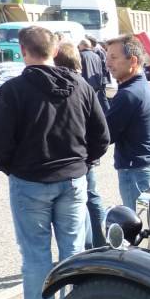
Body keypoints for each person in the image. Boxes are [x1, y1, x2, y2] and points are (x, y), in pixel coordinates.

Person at [0, 26, 109, 299]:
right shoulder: (80, 86)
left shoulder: (12, 91)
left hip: (32, 182)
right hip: (72, 180)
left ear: (23, 51)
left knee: (36, 255)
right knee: (73, 252)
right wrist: (83, 164)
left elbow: (0, 143)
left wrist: (11, 168)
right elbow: (102, 136)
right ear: (54, 51)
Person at [54, 43, 108, 249]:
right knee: (89, 199)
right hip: (82, 159)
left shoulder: (77, 88)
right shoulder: (83, 85)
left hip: (78, 160)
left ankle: (95, 243)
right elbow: (101, 132)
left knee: (88, 200)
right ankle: (98, 243)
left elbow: (101, 133)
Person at [103, 34, 150, 210]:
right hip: (148, 168)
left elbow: (105, 135)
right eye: (107, 58)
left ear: (133, 61)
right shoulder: (144, 88)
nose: (108, 64)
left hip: (137, 172)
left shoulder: (129, 94)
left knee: (137, 230)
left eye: (114, 58)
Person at [78, 38, 109, 113]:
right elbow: (101, 69)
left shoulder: (81, 55)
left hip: (86, 83)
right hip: (97, 83)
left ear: (82, 45)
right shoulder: (96, 56)